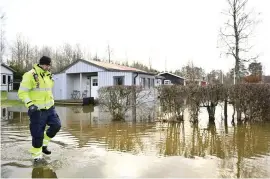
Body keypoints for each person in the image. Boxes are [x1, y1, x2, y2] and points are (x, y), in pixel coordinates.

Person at [18, 56, 61, 162]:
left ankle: (44, 145)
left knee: (56, 125)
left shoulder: (49, 76)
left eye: (49, 65)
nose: (47, 67)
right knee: (37, 133)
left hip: (50, 108)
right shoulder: (30, 75)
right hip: (37, 110)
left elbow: (47, 91)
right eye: (46, 65)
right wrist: (30, 104)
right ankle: (37, 157)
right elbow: (22, 92)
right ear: (41, 64)